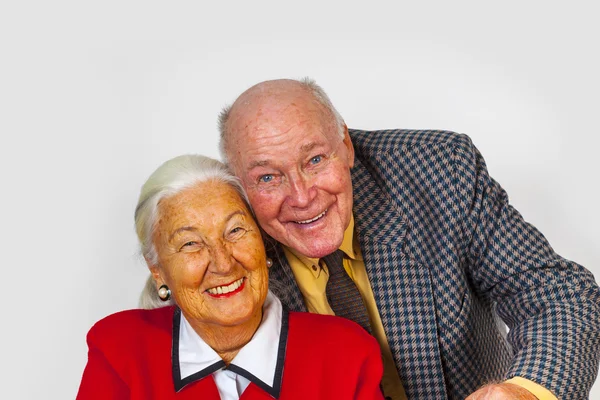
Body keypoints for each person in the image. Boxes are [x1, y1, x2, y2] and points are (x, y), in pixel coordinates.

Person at [218, 78, 600, 400]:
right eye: (268, 177)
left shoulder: (439, 170)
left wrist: (525, 392)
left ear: (346, 146)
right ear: (238, 184)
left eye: (315, 160)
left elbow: (559, 295)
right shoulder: (222, 232)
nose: (302, 198)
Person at [77, 154, 384, 400]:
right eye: (190, 244)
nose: (223, 264)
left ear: (262, 243)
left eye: (235, 231)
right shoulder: (120, 350)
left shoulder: (344, 353)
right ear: (157, 269)